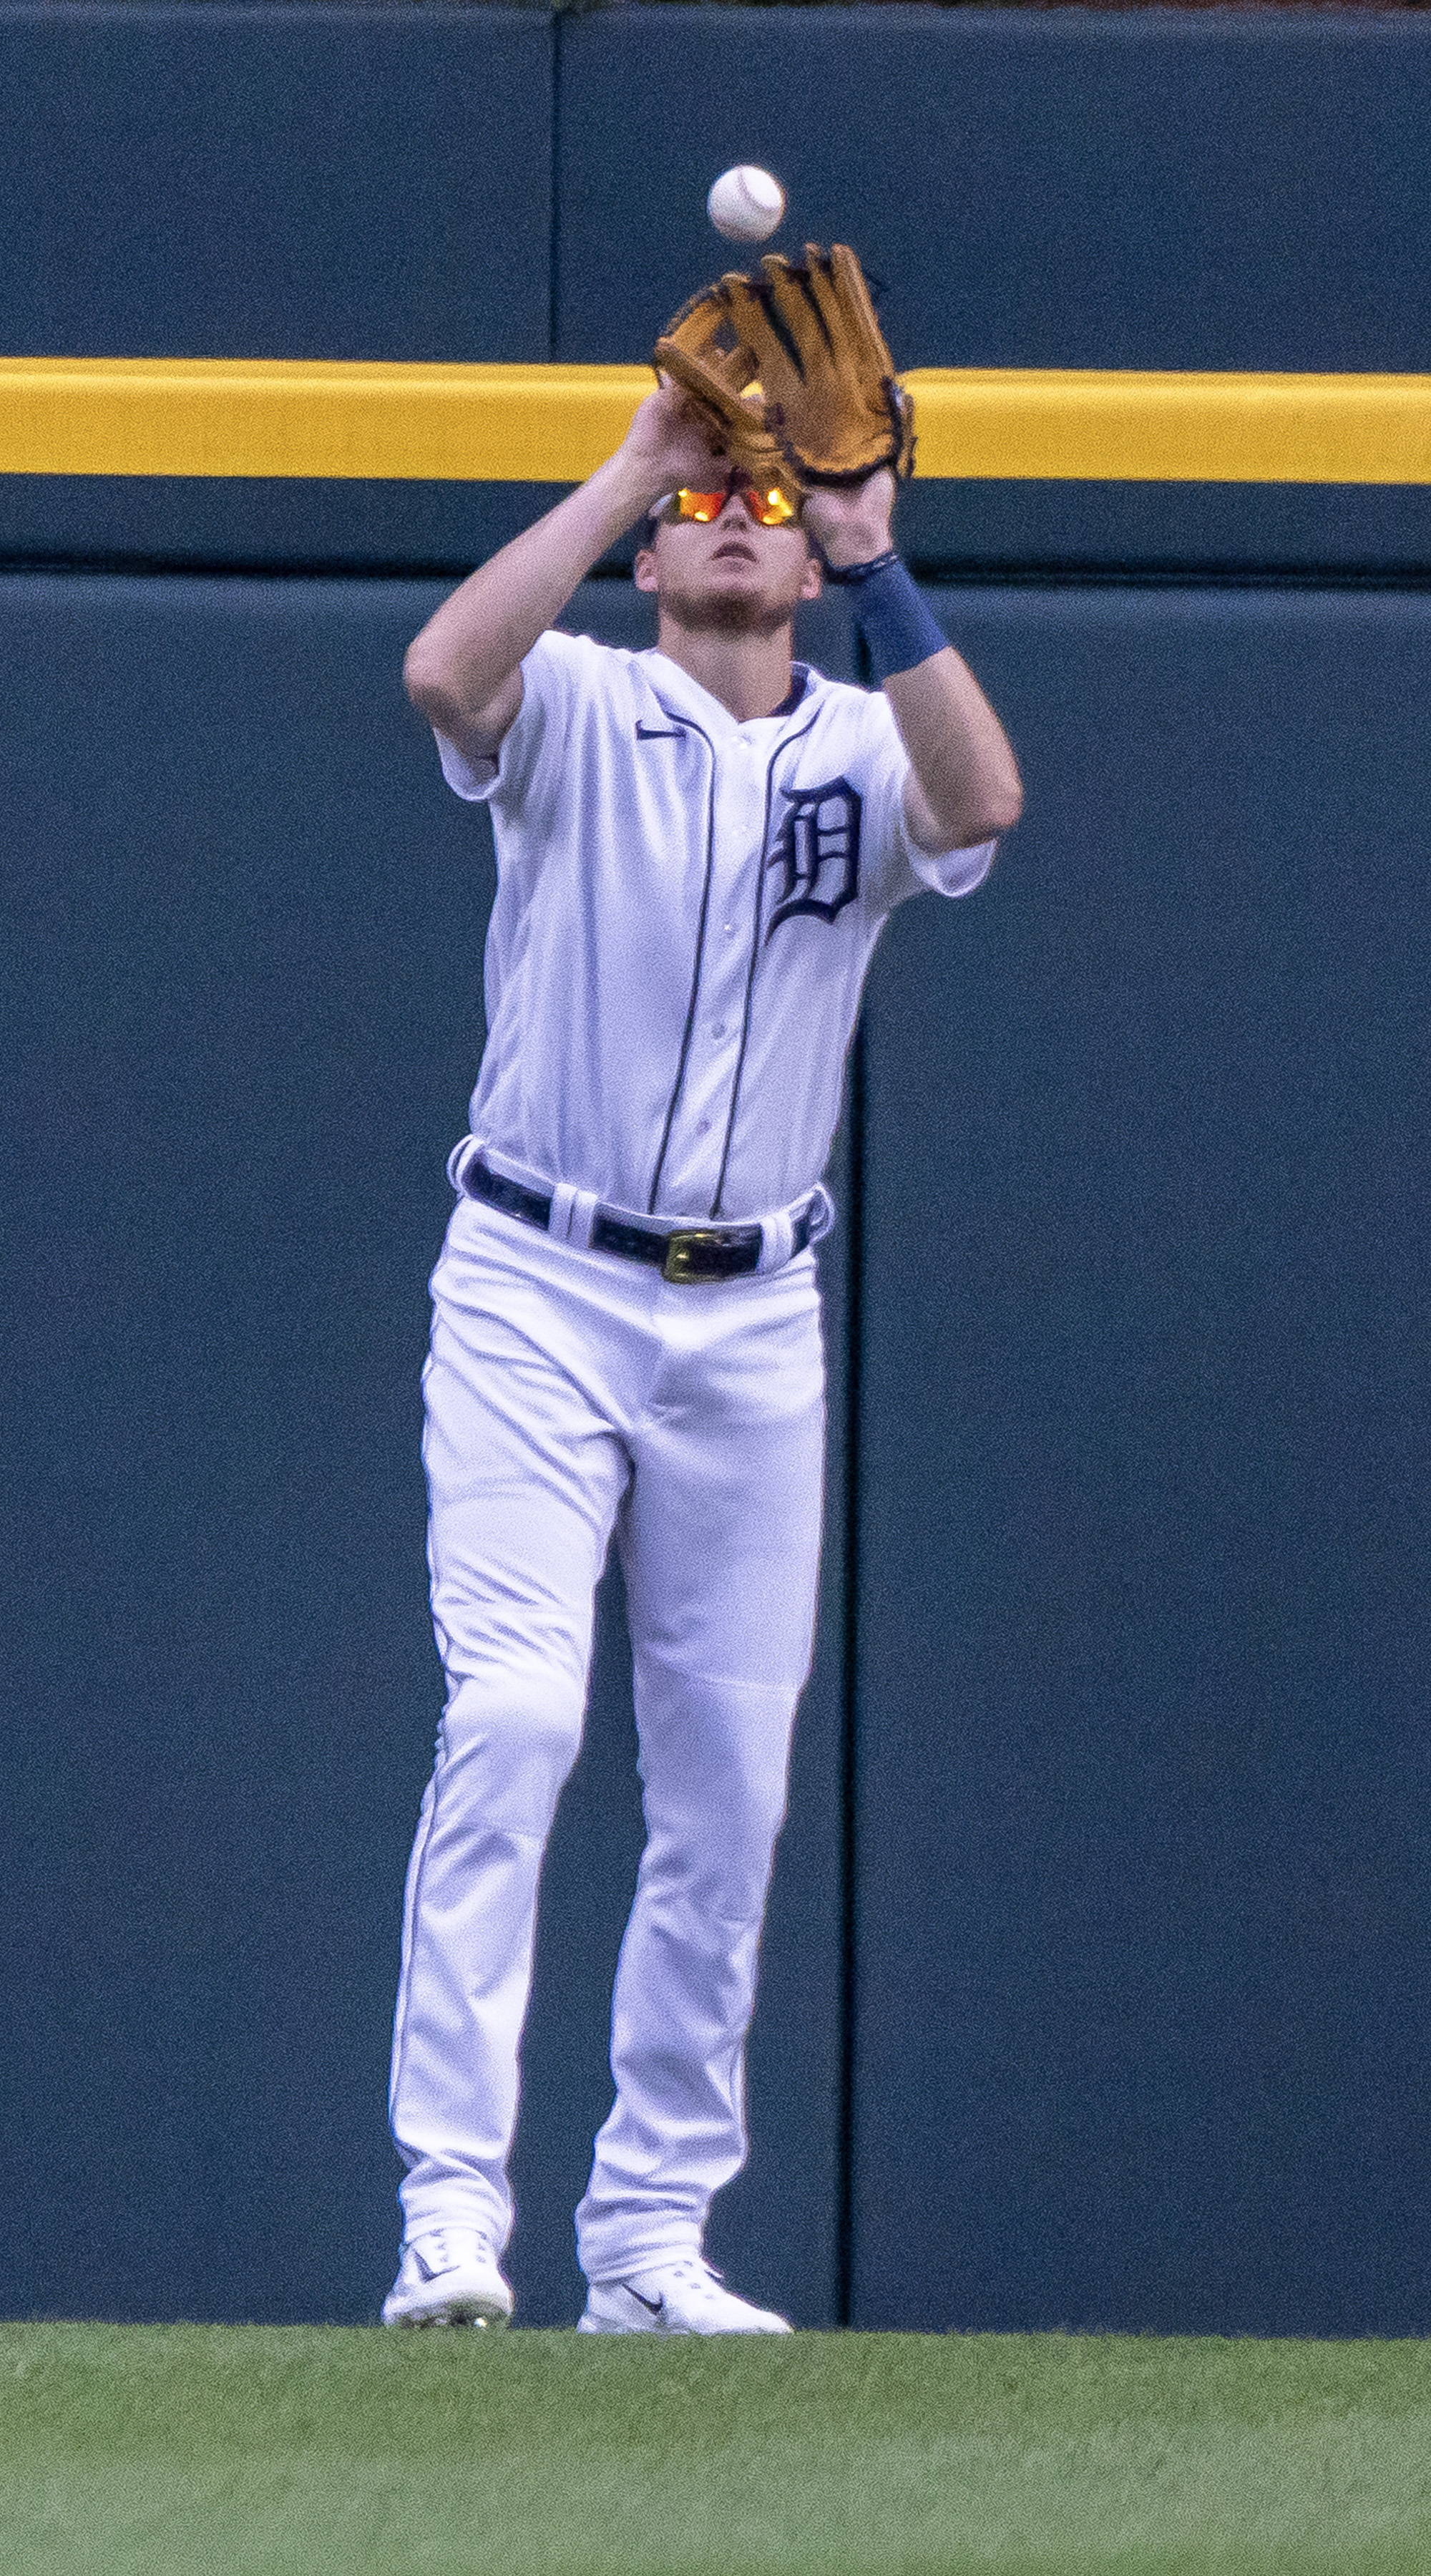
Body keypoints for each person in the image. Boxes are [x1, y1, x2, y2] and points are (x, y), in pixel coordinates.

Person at [382, 375, 1022, 2335]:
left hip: (751, 1316)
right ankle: (450, 2211)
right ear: (661, 548)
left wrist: (875, 553)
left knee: (727, 1787)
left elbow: (984, 801)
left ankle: (650, 2241)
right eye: (710, 500)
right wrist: (633, 468)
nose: (738, 517)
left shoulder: (864, 738)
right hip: (536, 1281)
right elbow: (439, 673)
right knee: (514, 1718)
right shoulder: (575, 696)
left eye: (765, 494)